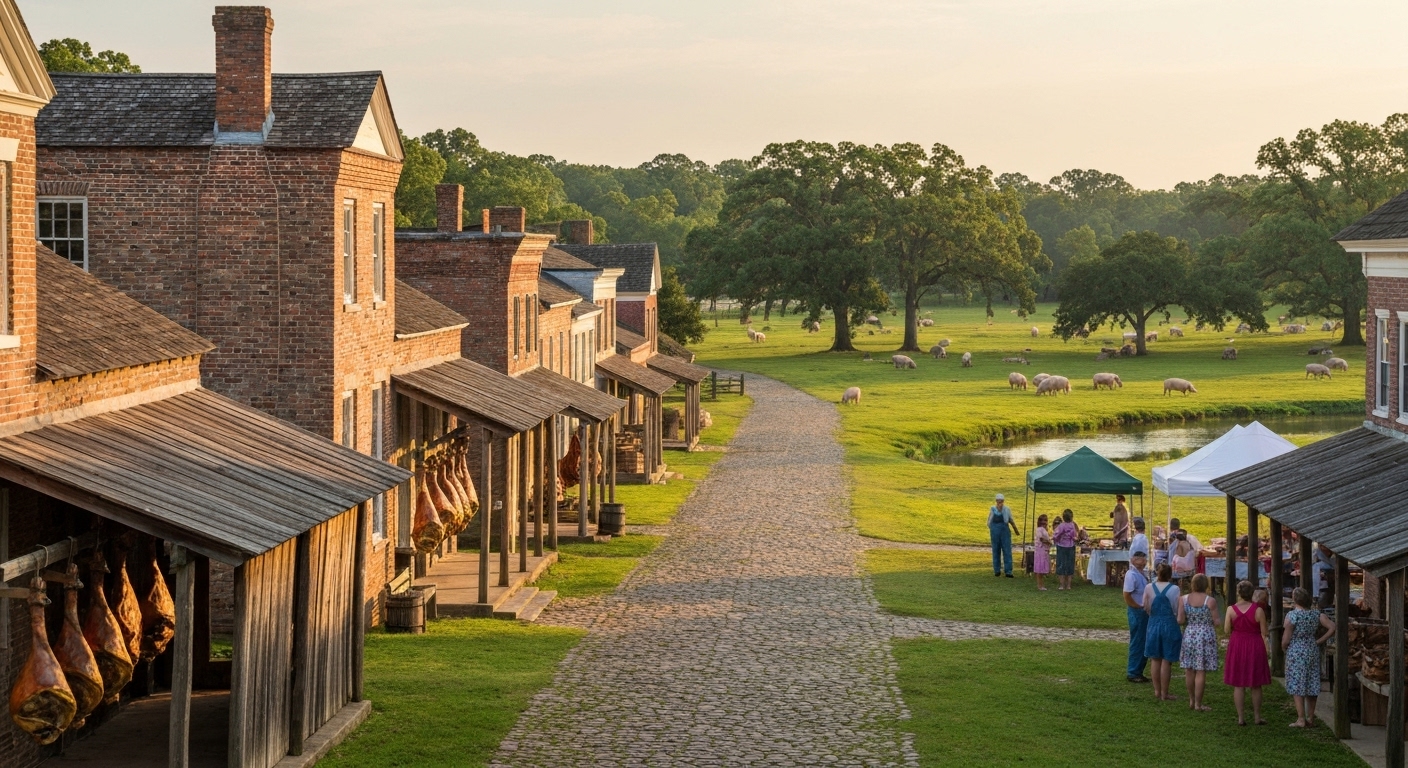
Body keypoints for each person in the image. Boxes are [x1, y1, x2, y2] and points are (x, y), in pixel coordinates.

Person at [1282, 587, 1334, 728]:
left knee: (1297, 683)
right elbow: (1332, 627)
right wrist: (1319, 641)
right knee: (1311, 682)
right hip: (1312, 649)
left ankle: (1300, 718)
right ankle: (1311, 717)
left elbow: (1286, 638)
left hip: (1297, 650)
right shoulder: (1316, 614)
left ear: (1295, 599)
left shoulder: (1292, 616)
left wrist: (1284, 646)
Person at [1224, 580, 1271, 725]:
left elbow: (1226, 630)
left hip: (1237, 644)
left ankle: (1240, 718)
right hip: (1254, 645)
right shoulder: (1258, 610)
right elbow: (1264, 632)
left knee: (1239, 683)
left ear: (1239, 593)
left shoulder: (1231, 610)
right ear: (1252, 593)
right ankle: (1257, 717)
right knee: (1256, 683)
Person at [1178, 573, 1219, 712]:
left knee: (1189, 669)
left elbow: (1181, 620)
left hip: (1189, 634)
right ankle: (1198, 704)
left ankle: (1191, 700)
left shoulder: (1183, 599)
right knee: (1200, 671)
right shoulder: (1210, 601)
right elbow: (1216, 622)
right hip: (1205, 636)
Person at [1144, 562, 1183, 701]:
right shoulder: (1175, 589)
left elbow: (1146, 606)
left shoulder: (1149, 587)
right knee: (1167, 660)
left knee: (1155, 658)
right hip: (1169, 623)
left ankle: (1157, 690)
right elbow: (1178, 608)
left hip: (1154, 623)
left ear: (1156, 573)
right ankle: (1165, 693)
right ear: (1170, 575)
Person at [1123, 548, 1151, 683]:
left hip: (1143, 610)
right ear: (1134, 560)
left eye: (1145, 559)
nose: (1144, 561)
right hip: (1137, 611)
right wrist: (1136, 606)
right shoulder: (1131, 575)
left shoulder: (1142, 573)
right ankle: (1133, 672)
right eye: (1141, 558)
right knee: (1138, 641)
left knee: (1143, 640)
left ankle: (1138, 670)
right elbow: (1127, 594)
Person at [987, 493, 1019, 578]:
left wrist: (1015, 529)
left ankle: (1008, 571)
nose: (999, 503)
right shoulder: (993, 509)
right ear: (996, 501)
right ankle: (997, 570)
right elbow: (989, 522)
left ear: (1003, 501)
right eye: (998, 501)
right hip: (995, 531)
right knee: (996, 550)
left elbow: (1010, 520)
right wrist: (992, 529)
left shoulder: (1006, 509)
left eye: (1001, 502)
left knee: (1007, 549)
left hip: (1004, 531)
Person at [1052, 510, 1078, 591]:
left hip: (1061, 547)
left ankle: (1062, 585)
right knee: (1070, 565)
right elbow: (1074, 535)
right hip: (1071, 546)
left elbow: (1056, 535)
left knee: (1061, 565)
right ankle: (1069, 585)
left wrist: (1055, 539)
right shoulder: (1072, 525)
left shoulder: (1061, 526)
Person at [1033, 514, 1052, 591]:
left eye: (1045, 520)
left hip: (1044, 551)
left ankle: (1041, 584)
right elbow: (1041, 538)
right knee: (1039, 569)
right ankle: (1039, 585)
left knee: (1042, 569)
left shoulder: (1045, 530)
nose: (1044, 522)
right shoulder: (1039, 529)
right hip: (1040, 551)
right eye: (1042, 520)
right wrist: (1049, 542)